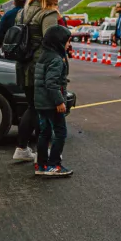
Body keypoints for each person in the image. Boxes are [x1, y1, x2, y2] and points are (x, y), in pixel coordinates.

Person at [13, 0, 63, 163]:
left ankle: (22, 148)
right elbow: (51, 42)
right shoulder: (48, 13)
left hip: (23, 65)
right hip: (41, 67)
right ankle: (43, 154)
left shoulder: (22, 12)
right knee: (44, 109)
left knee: (31, 107)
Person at [34, 24, 74, 177]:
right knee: (60, 133)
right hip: (52, 103)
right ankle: (53, 165)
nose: (68, 44)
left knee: (44, 132)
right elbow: (51, 83)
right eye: (67, 41)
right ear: (58, 42)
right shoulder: (57, 59)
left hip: (41, 101)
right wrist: (59, 101)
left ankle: (42, 164)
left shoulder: (44, 55)